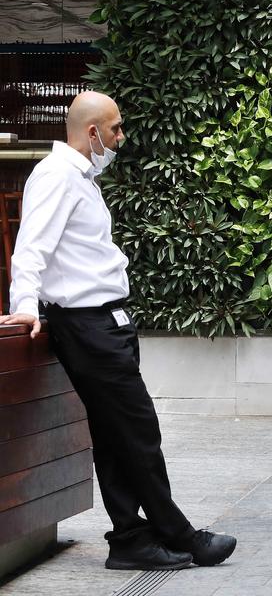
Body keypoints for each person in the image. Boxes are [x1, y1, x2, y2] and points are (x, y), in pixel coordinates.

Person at [0, 92, 236, 572]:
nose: (120, 138)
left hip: (105, 322)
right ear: (92, 133)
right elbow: (30, 249)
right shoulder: (56, 176)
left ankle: (130, 539)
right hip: (87, 326)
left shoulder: (80, 179)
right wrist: (24, 306)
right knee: (139, 430)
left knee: (114, 435)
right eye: (116, 129)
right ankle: (182, 536)